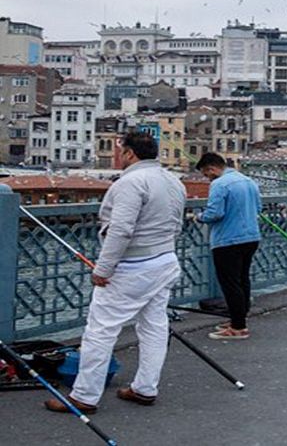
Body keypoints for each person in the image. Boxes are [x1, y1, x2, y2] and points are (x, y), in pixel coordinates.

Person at [46, 131, 186, 414]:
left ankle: (84, 396)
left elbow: (121, 230)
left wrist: (103, 269)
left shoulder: (130, 183)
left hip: (133, 268)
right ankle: (145, 388)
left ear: (130, 154)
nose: (118, 155)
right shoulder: (174, 181)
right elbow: (177, 224)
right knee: (154, 327)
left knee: (100, 330)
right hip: (165, 260)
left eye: (120, 151)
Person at [195, 152, 262, 340]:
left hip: (228, 240)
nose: (207, 178)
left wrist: (199, 217)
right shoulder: (248, 181)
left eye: (206, 174)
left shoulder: (219, 184)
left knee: (230, 283)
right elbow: (258, 208)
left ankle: (238, 328)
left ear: (211, 168)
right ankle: (238, 318)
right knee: (242, 280)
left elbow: (215, 213)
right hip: (251, 237)